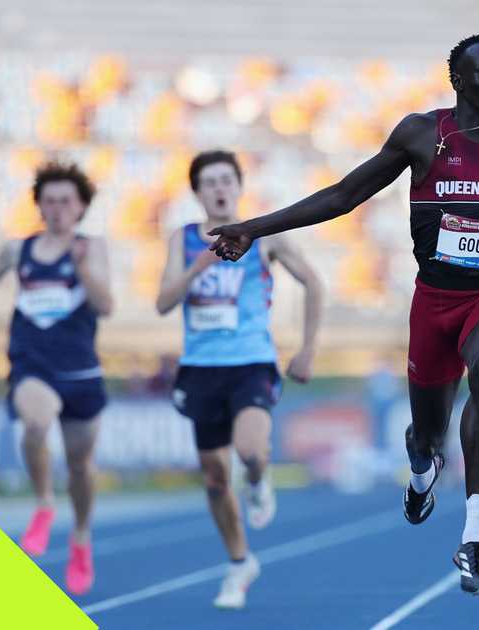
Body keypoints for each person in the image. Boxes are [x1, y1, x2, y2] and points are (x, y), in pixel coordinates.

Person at [207, 34, 479, 597]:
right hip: (434, 304)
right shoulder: (423, 134)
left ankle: (474, 538)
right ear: (459, 81)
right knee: (427, 440)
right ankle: (421, 478)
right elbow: (344, 195)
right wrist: (253, 228)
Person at [156, 150, 322, 609]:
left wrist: (307, 349)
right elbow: (163, 303)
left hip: (251, 362)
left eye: (227, 179)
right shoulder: (183, 238)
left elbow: (313, 283)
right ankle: (238, 562)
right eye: (209, 182)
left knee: (249, 449)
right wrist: (196, 269)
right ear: (197, 192)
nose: (219, 189)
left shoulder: (263, 235)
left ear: (239, 186)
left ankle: (258, 476)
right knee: (213, 477)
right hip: (200, 368)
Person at [0, 162, 112, 595]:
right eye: (49, 201)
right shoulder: (20, 251)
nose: (57, 209)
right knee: (35, 422)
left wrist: (82, 268)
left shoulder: (93, 247)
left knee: (81, 465)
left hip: (81, 369)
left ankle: (81, 537)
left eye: (66, 201)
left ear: (81, 206)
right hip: (32, 363)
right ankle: (45, 503)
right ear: (39, 206)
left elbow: (105, 305)